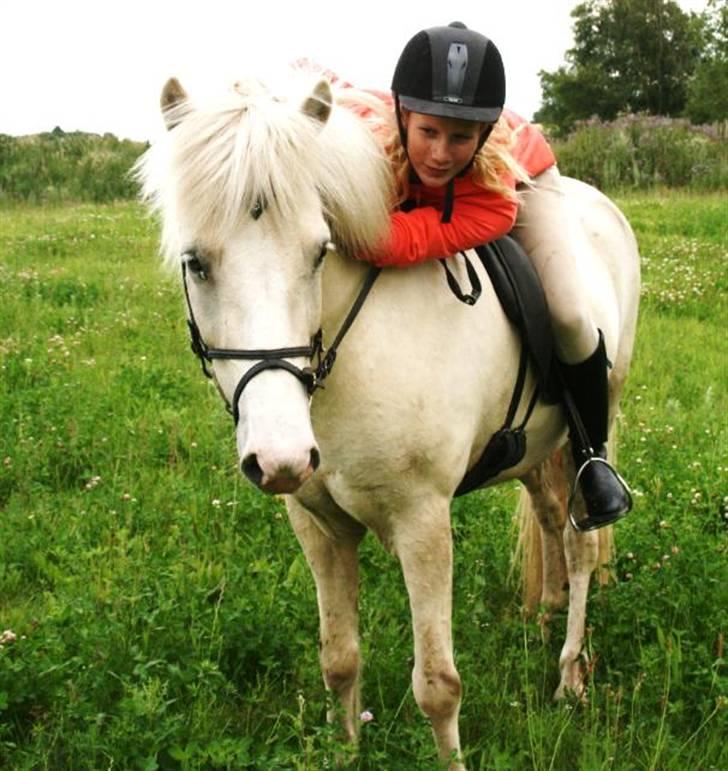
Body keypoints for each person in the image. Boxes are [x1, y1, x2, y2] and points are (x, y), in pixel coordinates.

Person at [334, 22, 631, 531]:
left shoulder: (494, 204)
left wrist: (338, 222)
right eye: (428, 132)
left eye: (460, 137)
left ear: (485, 133)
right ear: (403, 114)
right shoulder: (364, 133)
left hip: (521, 177)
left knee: (569, 311)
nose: (440, 154)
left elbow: (399, 242)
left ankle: (590, 454)